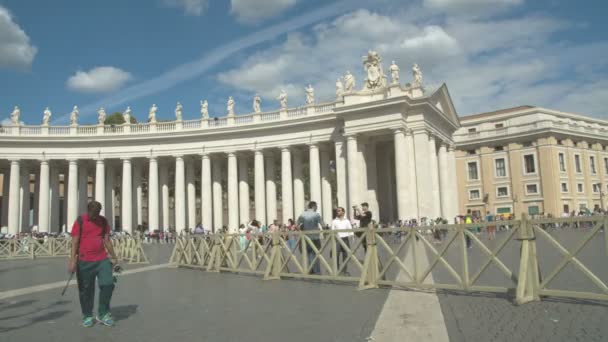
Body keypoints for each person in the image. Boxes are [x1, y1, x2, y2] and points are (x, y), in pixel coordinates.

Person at [68, 201, 118, 327]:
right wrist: (73, 260)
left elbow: (106, 240)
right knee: (86, 290)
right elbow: (74, 241)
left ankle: (103, 313)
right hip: (84, 260)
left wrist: (114, 256)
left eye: (95, 214)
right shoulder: (80, 221)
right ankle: (87, 315)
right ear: (88, 211)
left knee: (108, 284)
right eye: (91, 214)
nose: (93, 216)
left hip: (102, 259)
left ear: (99, 212)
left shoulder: (103, 221)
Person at [297, 201, 323, 274]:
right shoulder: (316, 215)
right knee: (316, 254)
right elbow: (323, 225)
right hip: (315, 238)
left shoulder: (302, 215)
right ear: (314, 207)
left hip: (306, 238)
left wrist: (302, 229)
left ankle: (310, 270)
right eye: (316, 207)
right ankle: (317, 271)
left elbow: (296, 225)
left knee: (309, 254)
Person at [330, 207, 353, 275]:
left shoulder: (347, 221)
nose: (338, 212)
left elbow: (350, 230)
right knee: (336, 255)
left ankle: (344, 270)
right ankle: (336, 270)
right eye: (337, 211)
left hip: (345, 239)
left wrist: (352, 238)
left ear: (343, 212)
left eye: (339, 211)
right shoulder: (334, 221)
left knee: (345, 255)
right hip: (337, 240)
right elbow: (332, 231)